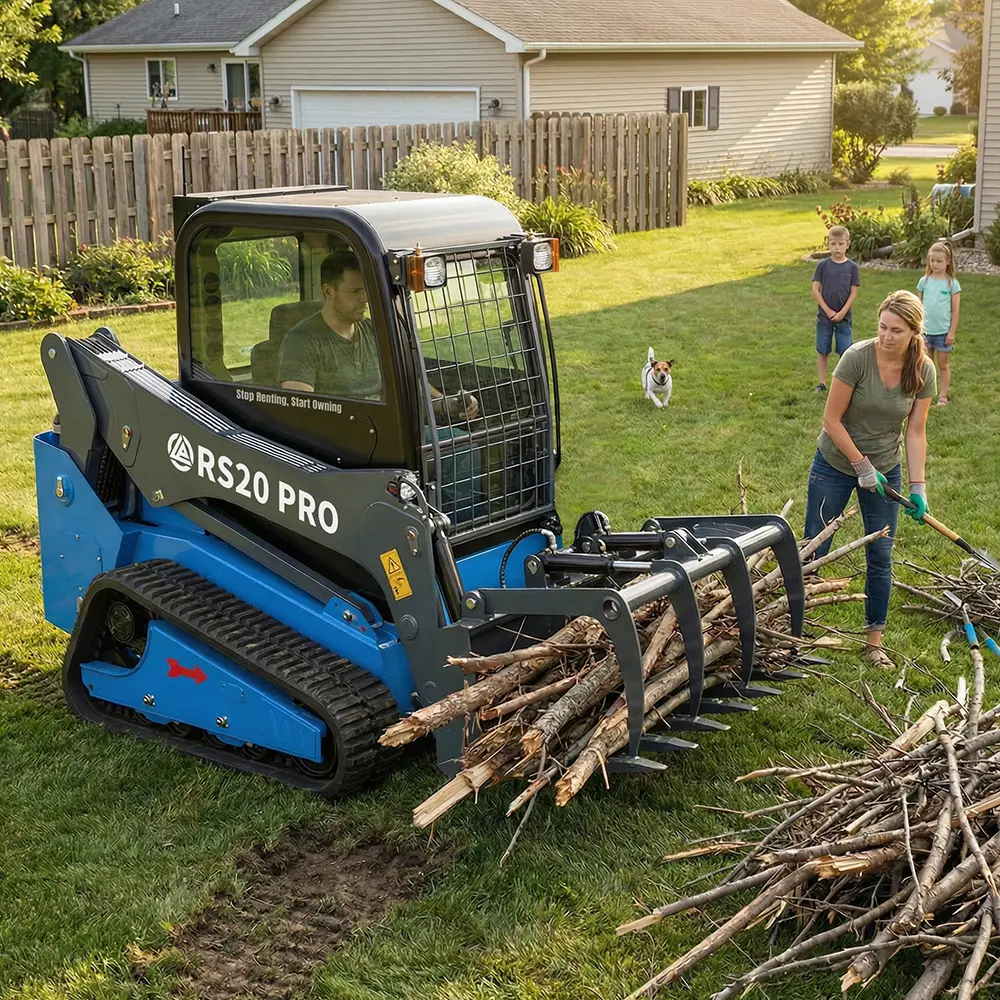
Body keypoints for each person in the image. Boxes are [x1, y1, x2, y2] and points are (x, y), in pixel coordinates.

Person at [804, 290, 936, 669]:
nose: (886, 336)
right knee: (815, 548)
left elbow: (915, 431)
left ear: (914, 332)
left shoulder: (922, 370)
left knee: (880, 555)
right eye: (882, 327)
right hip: (834, 463)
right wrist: (861, 465)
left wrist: (917, 486)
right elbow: (831, 420)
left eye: (896, 330)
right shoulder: (856, 358)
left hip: (886, 468)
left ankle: (873, 641)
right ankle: (798, 632)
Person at [279, 250, 479, 420]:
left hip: (387, 428)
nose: (365, 297)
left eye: (366, 289)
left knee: (461, 447)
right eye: (355, 291)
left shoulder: (374, 331)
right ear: (328, 291)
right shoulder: (301, 340)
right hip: (342, 439)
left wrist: (445, 403)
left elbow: (407, 383)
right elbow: (301, 408)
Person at [812, 226, 861, 394]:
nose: (837, 248)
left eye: (841, 244)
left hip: (844, 318)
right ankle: (822, 383)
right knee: (823, 349)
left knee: (845, 351)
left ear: (848, 244)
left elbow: (854, 292)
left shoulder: (852, 268)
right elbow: (815, 290)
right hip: (824, 318)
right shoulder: (823, 266)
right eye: (833, 244)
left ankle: (843, 383)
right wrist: (827, 310)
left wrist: (841, 312)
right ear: (828, 244)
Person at [917, 241, 961, 408]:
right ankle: (926, 393)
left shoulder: (952, 284)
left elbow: (955, 311)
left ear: (948, 261)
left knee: (943, 364)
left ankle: (943, 396)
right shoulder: (924, 282)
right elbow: (918, 306)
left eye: (939, 261)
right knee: (927, 364)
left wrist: (952, 332)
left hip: (943, 333)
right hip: (926, 331)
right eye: (932, 260)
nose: (935, 264)